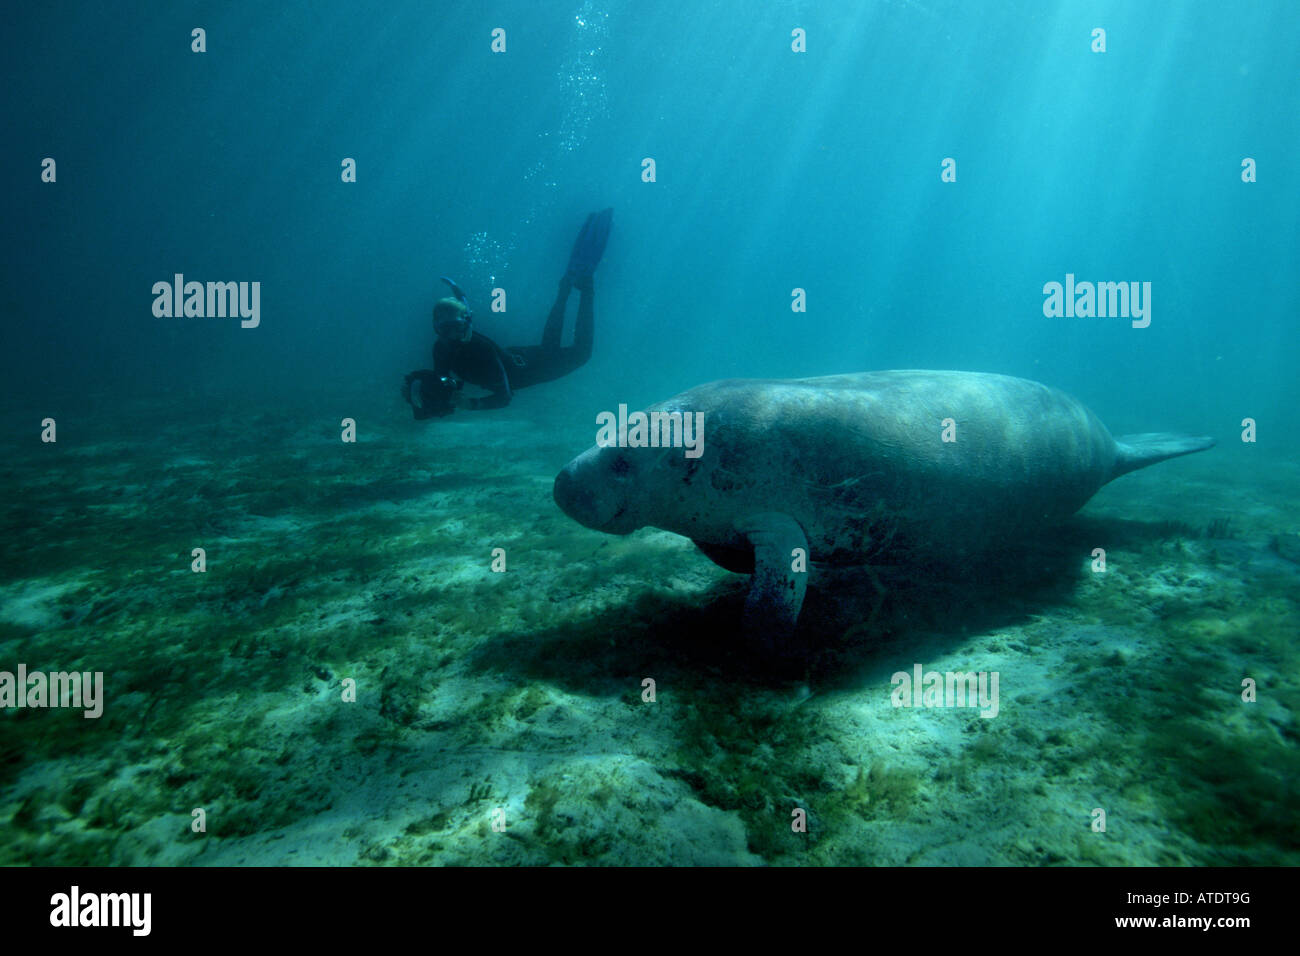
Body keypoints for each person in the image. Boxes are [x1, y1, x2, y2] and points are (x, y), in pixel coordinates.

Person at [403, 209, 612, 418]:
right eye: (444, 329)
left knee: (581, 353)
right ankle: (565, 288)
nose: (450, 336)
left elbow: (504, 397)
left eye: (455, 328)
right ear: (436, 328)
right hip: (518, 358)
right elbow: (442, 379)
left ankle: (586, 288)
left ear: (467, 324)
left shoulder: (479, 349)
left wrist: (471, 404)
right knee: (549, 348)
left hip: (529, 370)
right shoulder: (440, 348)